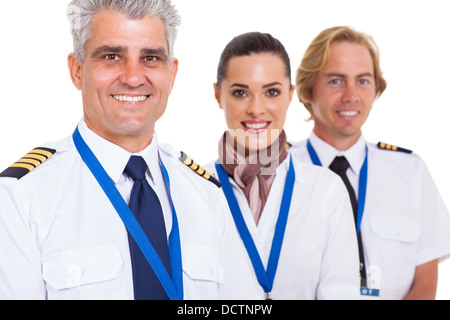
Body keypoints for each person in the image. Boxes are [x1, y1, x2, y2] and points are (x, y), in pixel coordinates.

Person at [0, 0, 259, 300]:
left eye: (150, 57)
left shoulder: (209, 197)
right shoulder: (21, 199)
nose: (134, 77)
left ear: (171, 74)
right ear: (77, 71)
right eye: (112, 56)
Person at [290, 26, 450, 300]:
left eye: (363, 80)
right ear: (308, 89)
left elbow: (424, 284)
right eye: (335, 81)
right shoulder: (277, 171)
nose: (351, 95)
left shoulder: (410, 172)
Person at [206, 31, 360, 300]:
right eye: (241, 92)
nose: (256, 109)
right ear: (218, 95)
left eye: (272, 92)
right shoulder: (191, 188)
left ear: (290, 96)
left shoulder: (326, 191)